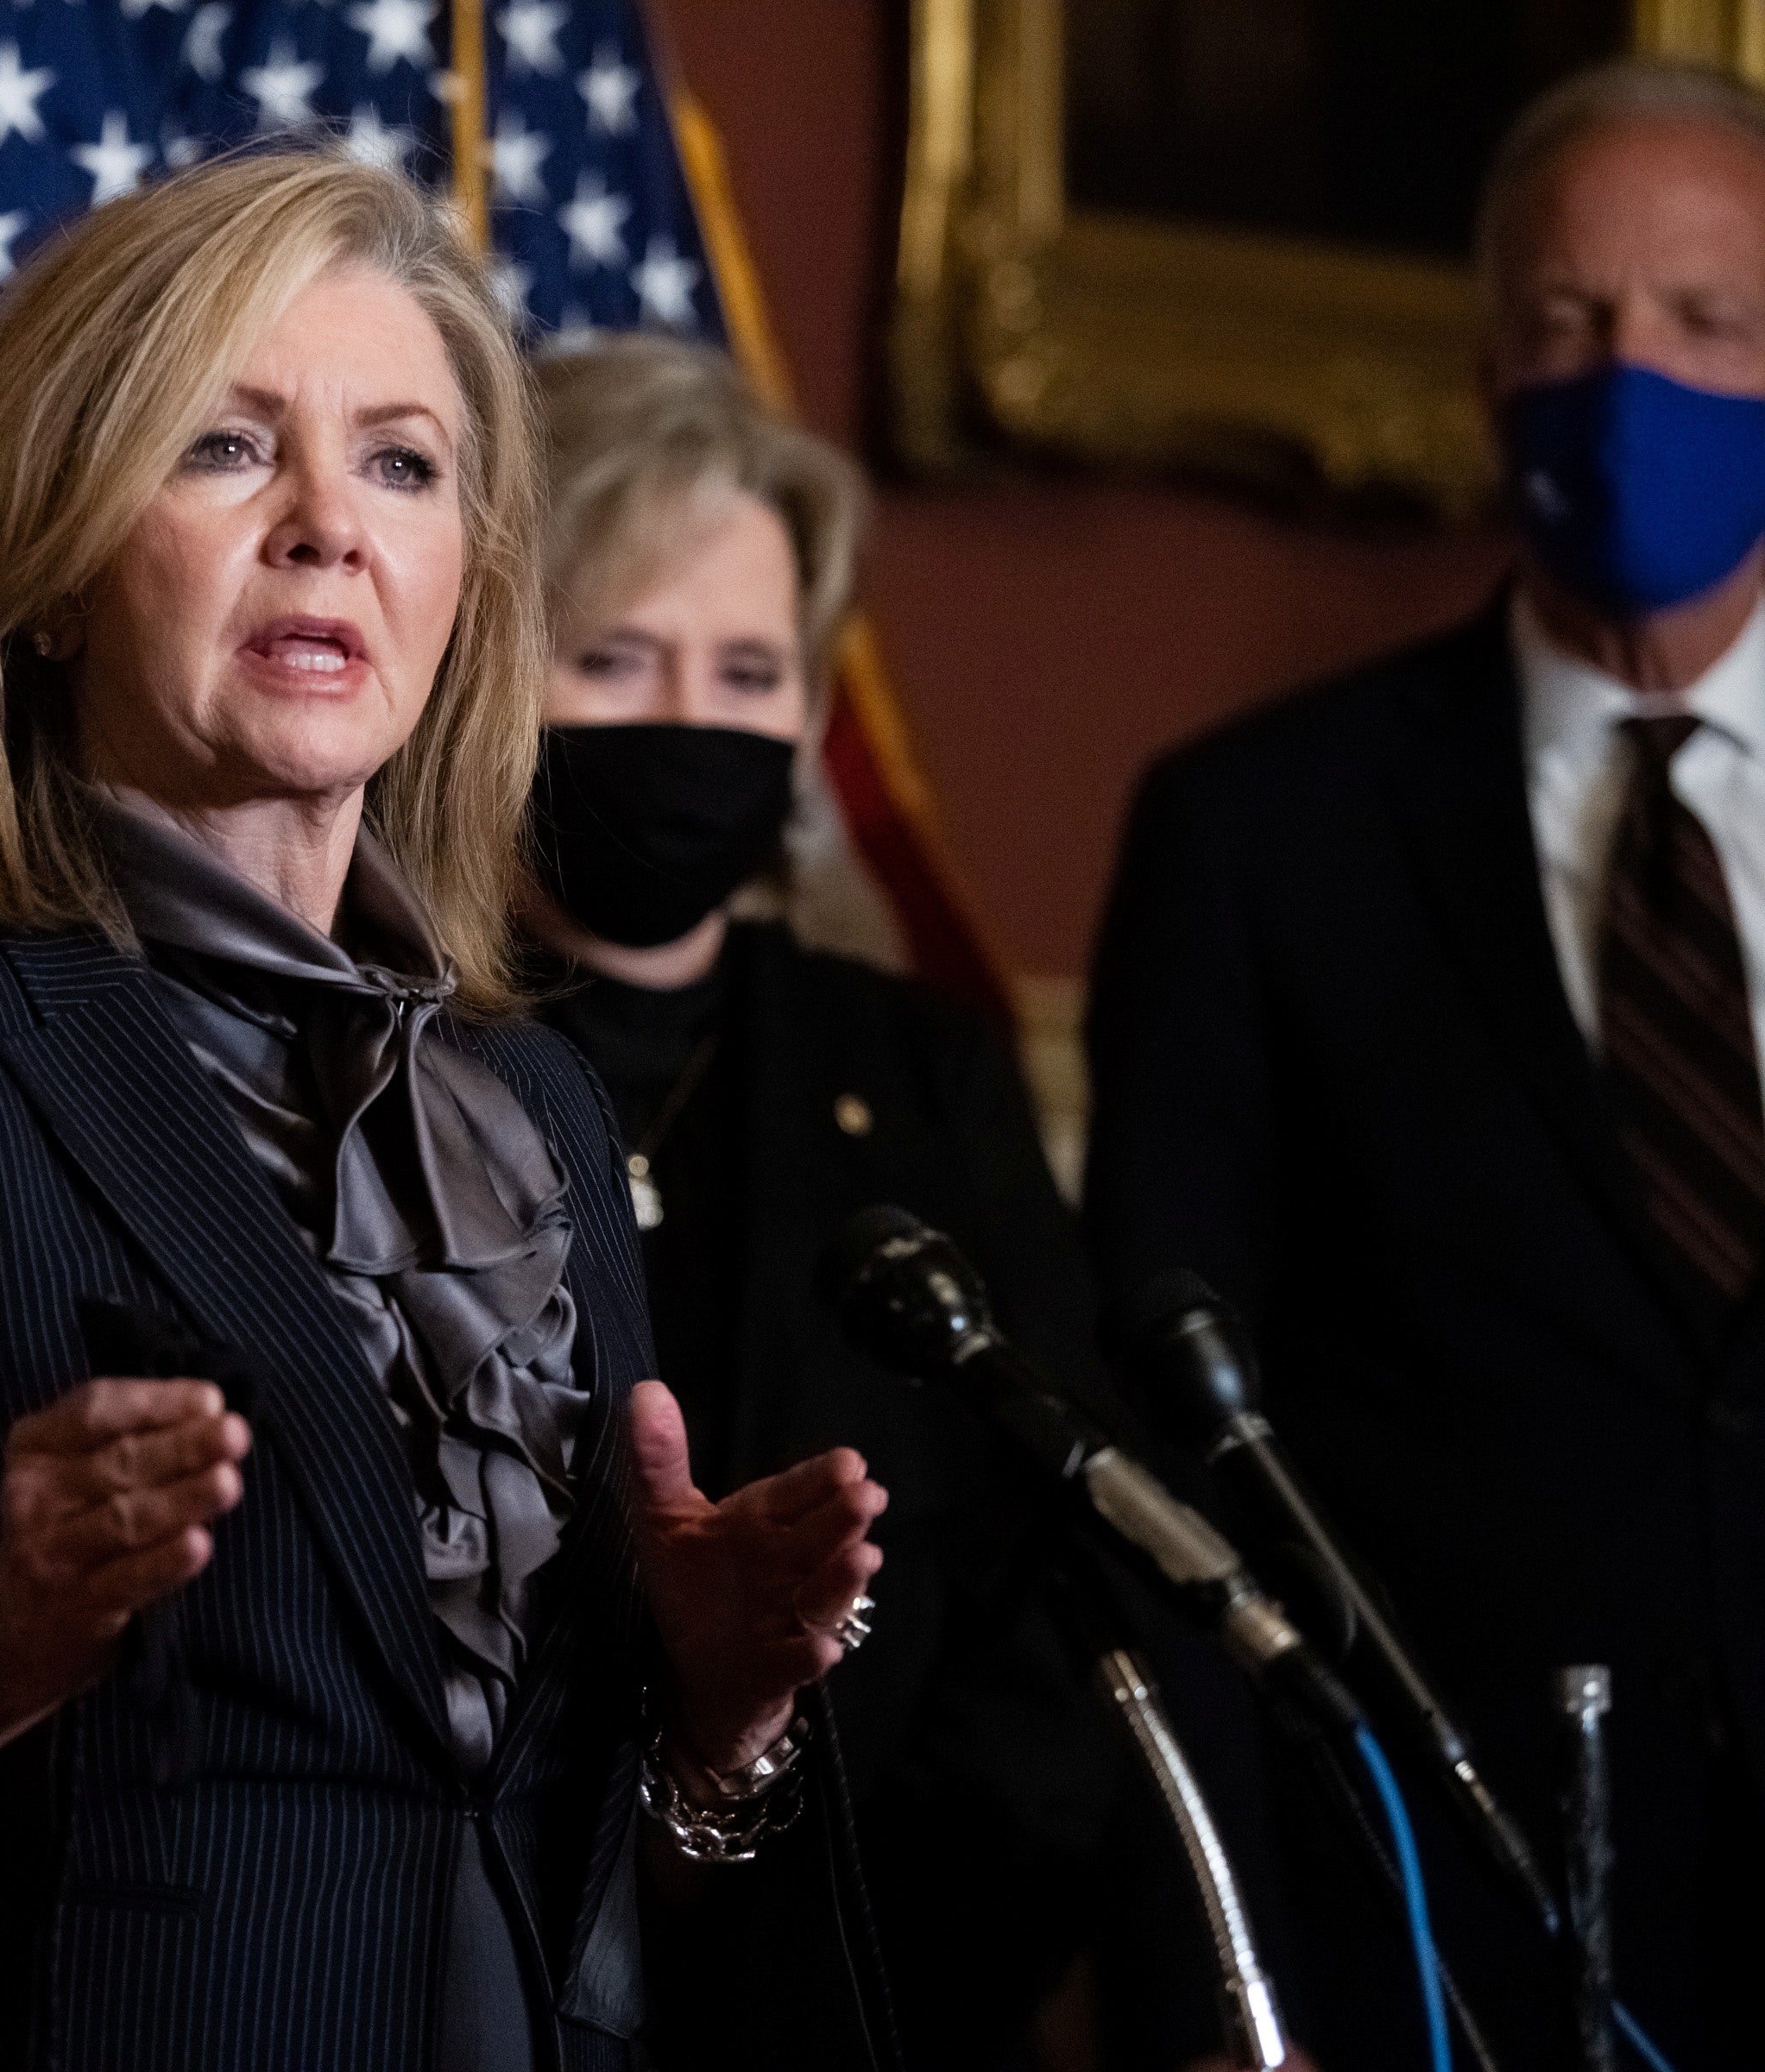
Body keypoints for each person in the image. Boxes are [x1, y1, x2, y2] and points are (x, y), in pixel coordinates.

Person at [0, 150, 892, 2072]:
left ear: (462, 587)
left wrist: (707, 1724)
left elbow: (533, 1879)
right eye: (229, 449)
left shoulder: (538, 1110)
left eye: (402, 464)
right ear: (56, 566)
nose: (330, 525)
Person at [1087, 60, 1765, 2072]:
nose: (1624, 372)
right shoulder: (1258, 833)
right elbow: (1170, 1457)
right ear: (1487, 368)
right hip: (1449, 1932)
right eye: (1568, 323)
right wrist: (1218, 1979)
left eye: (1707, 323)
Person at [516, 335, 1119, 2070]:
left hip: (883, 1996)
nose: (692, 717)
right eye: (616, 658)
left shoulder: (919, 1073)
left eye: (749, 667)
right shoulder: (377, 1049)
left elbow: (1046, 1584)